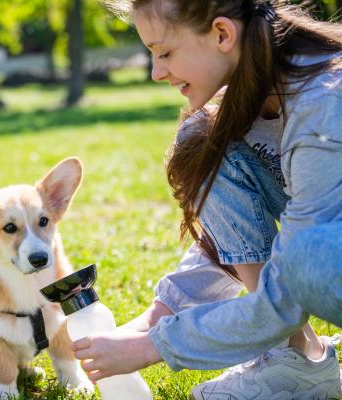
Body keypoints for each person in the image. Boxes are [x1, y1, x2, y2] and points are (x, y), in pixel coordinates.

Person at [72, 0, 342, 398]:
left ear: (221, 34)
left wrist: (154, 346)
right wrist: (156, 319)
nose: (156, 72)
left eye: (164, 53)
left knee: (307, 258)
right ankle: (295, 358)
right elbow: (237, 237)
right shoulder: (257, 95)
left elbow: (285, 293)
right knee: (203, 144)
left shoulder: (324, 104)